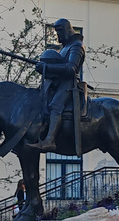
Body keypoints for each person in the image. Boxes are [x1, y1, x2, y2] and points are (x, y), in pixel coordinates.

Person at [29, 19, 85, 151]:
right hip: (57, 84)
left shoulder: (76, 46)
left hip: (69, 84)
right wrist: (44, 68)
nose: (57, 35)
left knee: (55, 107)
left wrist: (47, 67)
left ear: (67, 29)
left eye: (59, 31)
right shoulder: (64, 48)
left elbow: (71, 68)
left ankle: (50, 140)